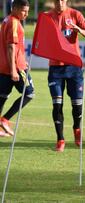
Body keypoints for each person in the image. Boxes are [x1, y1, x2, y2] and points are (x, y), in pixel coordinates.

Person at [47, 0, 85, 152]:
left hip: (74, 67)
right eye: (57, 0)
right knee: (57, 105)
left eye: (62, 0)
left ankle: (77, 129)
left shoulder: (75, 14)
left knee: (77, 106)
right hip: (55, 69)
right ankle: (60, 139)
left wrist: (79, 30)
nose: (60, 2)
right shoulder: (47, 17)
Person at [0, 0, 33, 137]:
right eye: (23, 10)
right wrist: (14, 69)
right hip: (15, 67)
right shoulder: (14, 22)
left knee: (2, 96)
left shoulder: (6, 20)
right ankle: (5, 119)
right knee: (29, 93)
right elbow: (11, 47)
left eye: (27, 11)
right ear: (14, 8)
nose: (26, 14)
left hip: (3, 66)